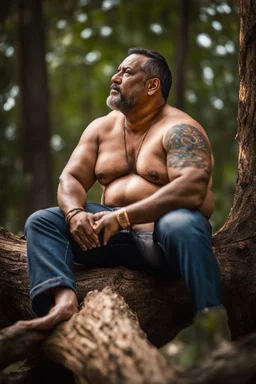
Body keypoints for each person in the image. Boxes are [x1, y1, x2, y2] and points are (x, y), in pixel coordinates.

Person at [22, 48, 226, 336]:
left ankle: (212, 325)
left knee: (181, 222)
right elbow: (71, 178)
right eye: (117, 71)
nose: (115, 77)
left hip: (166, 240)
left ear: (152, 85)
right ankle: (62, 304)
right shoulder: (101, 128)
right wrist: (75, 213)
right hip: (113, 237)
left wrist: (123, 217)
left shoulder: (180, 128)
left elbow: (192, 189)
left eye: (126, 73)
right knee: (42, 222)